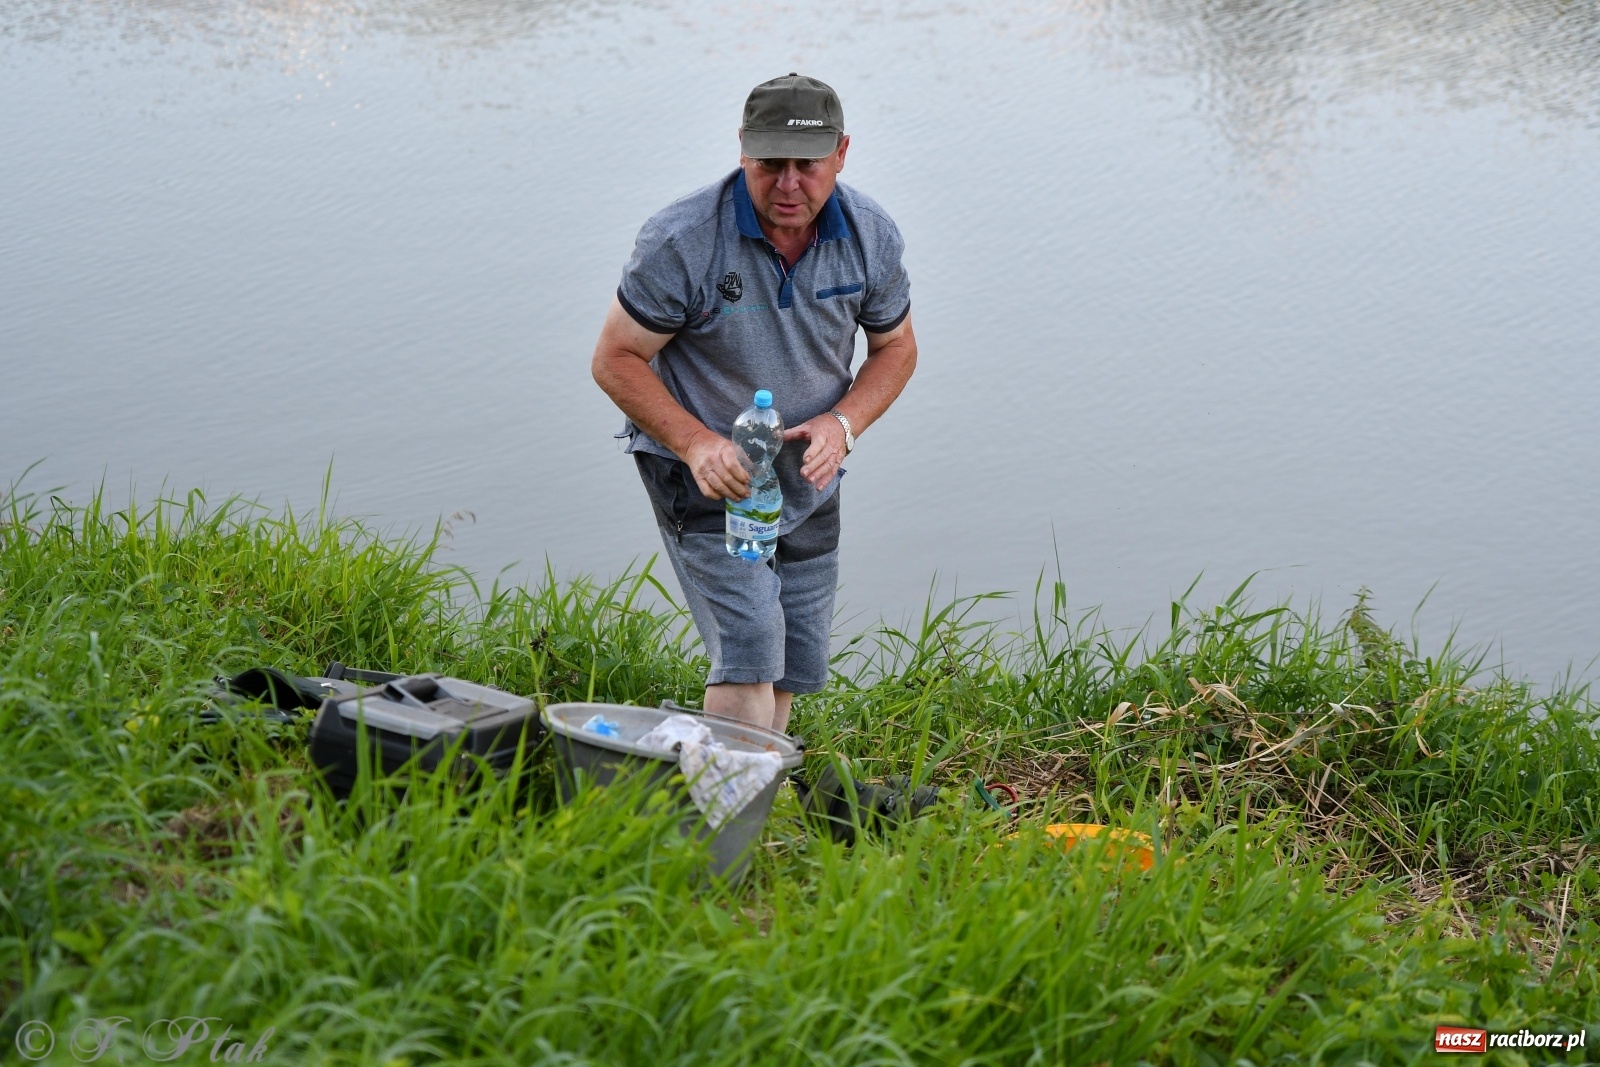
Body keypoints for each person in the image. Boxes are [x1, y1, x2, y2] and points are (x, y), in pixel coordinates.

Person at [591, 73, 917, 734]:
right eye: (771, 164)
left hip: (807, 479)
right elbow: (615, 357)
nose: (789, 183)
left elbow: (897, 348)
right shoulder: (682, 240)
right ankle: (720, 827)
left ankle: (753, 809)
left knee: (794, 655)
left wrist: (843, 422)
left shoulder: (872, 236)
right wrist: (695, 443)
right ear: (743, 150)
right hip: (707, 477)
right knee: (749, 650)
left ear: (842, 154)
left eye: (808, 165)